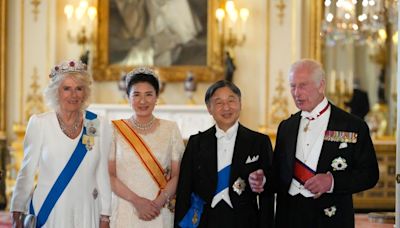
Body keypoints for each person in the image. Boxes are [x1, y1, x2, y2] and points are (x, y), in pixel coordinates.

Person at [272, 59, 379, 228]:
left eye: (303, 85)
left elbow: (369, 175)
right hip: (289, 217)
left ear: (321, 86)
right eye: (293, 86)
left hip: (331, 218)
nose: (296, 93)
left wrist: (332, 181)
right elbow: (278, 173)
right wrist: (262, 179)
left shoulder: (352, 125)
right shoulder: (286, 127)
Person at [10, 60, 112, 227]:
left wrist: (105, 214)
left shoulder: (96, 124)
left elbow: (103, 172)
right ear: (56, 92)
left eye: (79, 88)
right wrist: (17, 210)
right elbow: (27, 172)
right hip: (50, 209)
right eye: (67, 89)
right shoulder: (40, 123)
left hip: (87, 210)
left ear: (85, 93)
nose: (73, 95)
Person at [174, 80, 275, 228]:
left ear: (240, 104)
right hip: (205, 219)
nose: (226, 107)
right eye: (218, 102)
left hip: (245, 220)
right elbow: (184, 190)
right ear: (209, 108)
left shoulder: (259, 141)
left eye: (231, 100)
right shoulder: (196, 143)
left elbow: (268, 193)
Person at [108, 67, 185, 227]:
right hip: (125, 209)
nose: (143, 101)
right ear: (128, 97)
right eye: (136, 95)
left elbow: (177, 175)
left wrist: (157, 204)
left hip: (159, 211)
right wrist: (137, 202)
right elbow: (110, 176)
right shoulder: (115, 129)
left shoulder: (170, 129)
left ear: (157, 97)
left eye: (149, 94)